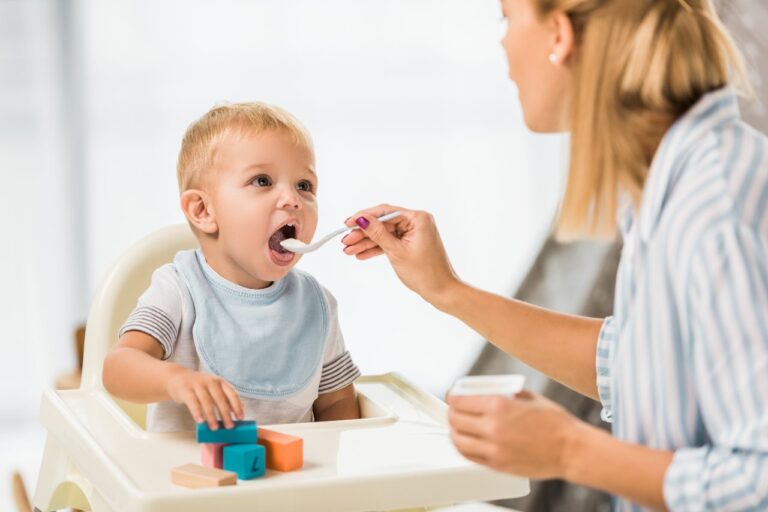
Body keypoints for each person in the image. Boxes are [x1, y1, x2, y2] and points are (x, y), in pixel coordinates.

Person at [341, 0, 768, 510]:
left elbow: (757, 475)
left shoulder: (714, 206)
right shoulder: (668, 187)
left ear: (560, 35)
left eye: (507, 17)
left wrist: (570, 449)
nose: (502, 41)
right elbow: (634, 361)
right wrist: (446, 290)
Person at [103, 102, 361, 433]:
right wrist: (175, 379)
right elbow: (117, 368)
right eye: (263, 181)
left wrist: (337, 466)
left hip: (295, 483)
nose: (292, 199)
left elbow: (336, 402)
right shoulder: (179, 290)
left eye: (304, 185)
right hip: (189, 478)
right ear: (203, 210)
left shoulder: (317, 304)